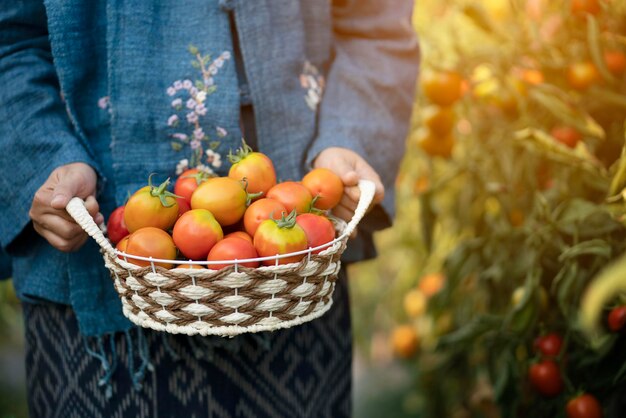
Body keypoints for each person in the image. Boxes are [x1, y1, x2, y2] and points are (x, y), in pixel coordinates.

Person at [0, 1, 419, 416]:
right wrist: (47, 159)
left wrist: (347, 139)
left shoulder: (295, 234)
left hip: (293, 280)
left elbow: (376, 23)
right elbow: (11, 39)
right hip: (93, 308)